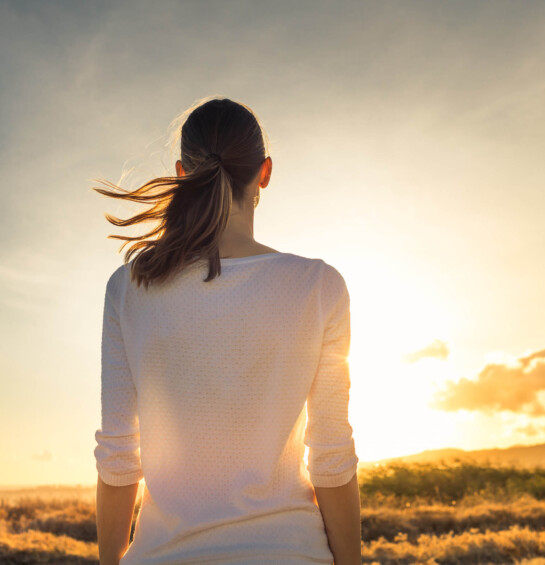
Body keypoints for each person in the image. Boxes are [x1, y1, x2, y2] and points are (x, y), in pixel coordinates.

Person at [93, 96, 361, 565]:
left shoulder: (130, 288)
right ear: (265, 172)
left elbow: (118, 455)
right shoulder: (319, 287)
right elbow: (332, 456)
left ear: (182, 173)